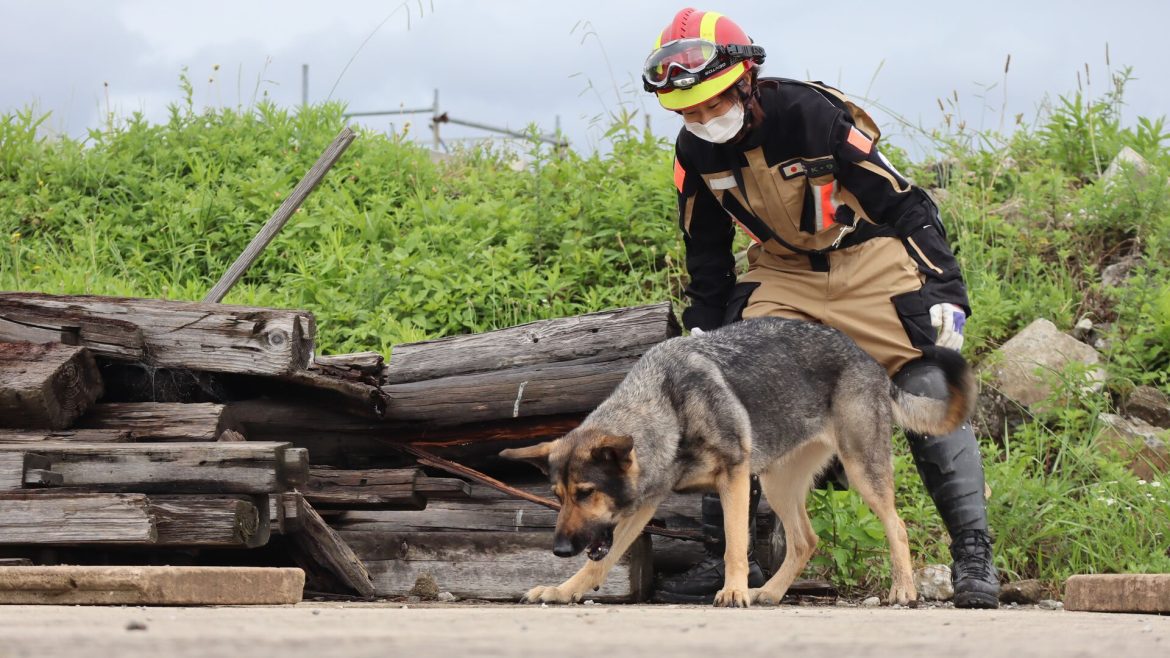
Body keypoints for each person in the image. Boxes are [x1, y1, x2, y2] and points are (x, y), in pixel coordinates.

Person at [642, 7, 999, 609]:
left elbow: (907, 205)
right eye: (690, 111)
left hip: (867, 259)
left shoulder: (812, 114)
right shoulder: (694, 152)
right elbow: (704, 250)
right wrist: (703, 320)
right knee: (723, 385)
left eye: (714, 103)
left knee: (926, 379)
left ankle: (973, 555)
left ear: (746, 79)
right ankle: (727, 559)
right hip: (782, 271)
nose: (705, 118)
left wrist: (943, 291)